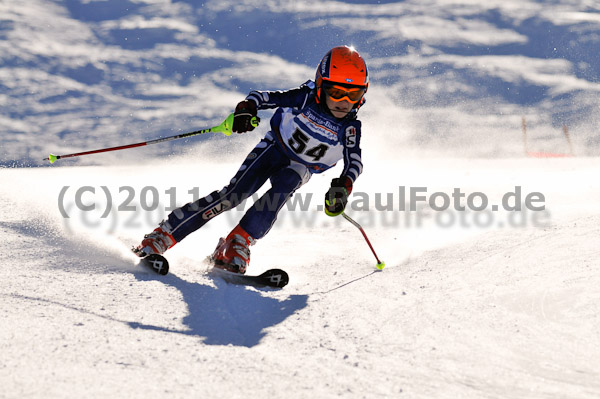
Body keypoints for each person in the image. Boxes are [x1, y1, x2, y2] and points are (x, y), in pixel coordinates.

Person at [134, 45, 368, 274]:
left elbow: (354, 162)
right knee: (233, 195)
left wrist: (343, 185)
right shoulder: (305, 98)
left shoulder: (349, 127)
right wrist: (247, 108)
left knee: (281, 191)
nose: (344, 101)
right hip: (274, 148)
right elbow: (262, 96)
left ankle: (236, 243)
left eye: (354, 94)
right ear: (320, 86)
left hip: (301, 166)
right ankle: (163, 235)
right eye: (336, 92)